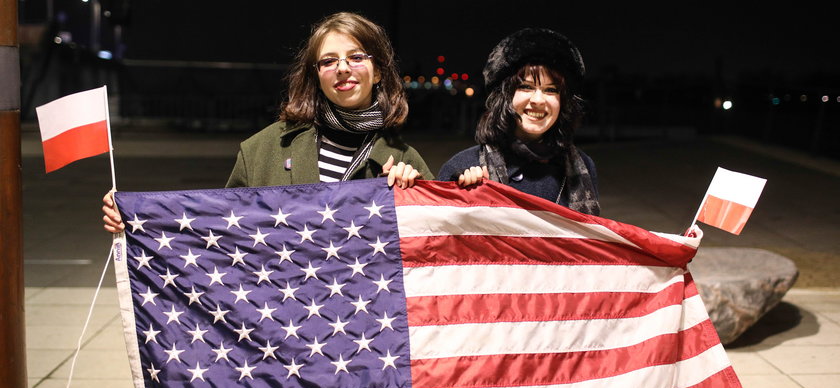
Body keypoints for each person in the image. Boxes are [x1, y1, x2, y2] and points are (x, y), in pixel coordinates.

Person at [103, 12, 432, 233]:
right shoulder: (262, 150)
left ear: (378, 72)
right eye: (328, 61)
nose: (343, 68)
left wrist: (416, 197)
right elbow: (219, 229)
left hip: (364, 326)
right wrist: (137, 220)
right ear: (316, 77)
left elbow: (436, 250)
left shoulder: (405, 160)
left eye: (357, 57)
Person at [438, 28, 600, 216]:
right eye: (526, 87)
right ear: (504, 96)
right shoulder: (462, 166)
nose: (538, 100)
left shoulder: (583, 166)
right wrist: (463, 196)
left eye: (551, 90)